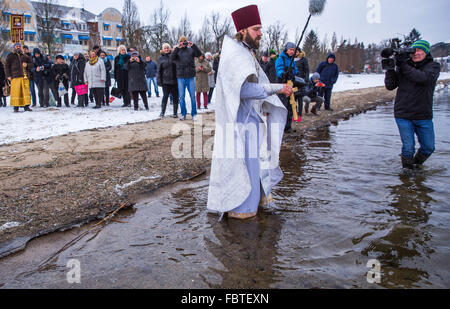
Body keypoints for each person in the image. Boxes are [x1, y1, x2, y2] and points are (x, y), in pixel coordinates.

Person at [207, 5, 292, 220]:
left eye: (260, 28)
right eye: (256, 29)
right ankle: (241, 213)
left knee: (255, 169)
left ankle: (252, 208)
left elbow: (253, 85)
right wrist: (277, 88)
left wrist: (268, 97)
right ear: (243, 30)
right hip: (240, 127)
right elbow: (243, 90)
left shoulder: (245, 52)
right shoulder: (235, 54)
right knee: (243, 170)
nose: (260, 33)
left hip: (250, 122)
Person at [385, 40, 440, 169]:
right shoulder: (404, 66)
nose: (416, 53)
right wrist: (390, 69)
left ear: (426, 52)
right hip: (403, 113)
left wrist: (403, 64)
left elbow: (422, 78)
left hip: (423, 114)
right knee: (408, 148)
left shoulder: (433, 67)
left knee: (428, 147)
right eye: (414, 51)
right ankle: (407, 175)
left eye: (420, 51)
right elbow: (390, 85)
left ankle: (416, 166)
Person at [171, 36, 202, 121]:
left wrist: (193, 46)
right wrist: (177, 48)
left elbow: (199, 55)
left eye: (185, 41)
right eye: (181, 41)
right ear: (179, 42)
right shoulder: (177, 51)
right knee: (181, 97)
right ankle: (183, 114)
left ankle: (194, 114)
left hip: (190, 77)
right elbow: (171, 58)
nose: (183, 42)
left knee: (192, 96)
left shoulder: (191, 50)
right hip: (180, 77)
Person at [275, 42, 301, 132]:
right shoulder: (280, 59)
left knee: (291, 105)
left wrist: (293, 73)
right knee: (283, 106)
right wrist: (283, 74)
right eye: (290, 49)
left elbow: (295, 70)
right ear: (286, 49)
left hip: (290, 85)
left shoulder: (292, 60)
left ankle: (288, 126)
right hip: (282, 85)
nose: (292, 52)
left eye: (293, 50)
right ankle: (281, 127)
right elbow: (278, 69)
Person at [5, 43, 33, 112]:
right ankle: (16, 107)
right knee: (16, 92)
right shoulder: (10, 56)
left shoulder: (25, 56)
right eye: (16, 46)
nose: (18, 47)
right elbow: (7, 66)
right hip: (15, 77)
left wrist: (27, 65)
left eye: (19, 46)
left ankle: (26, 107)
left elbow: (32, 64)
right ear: (14, 47)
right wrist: (8, 75)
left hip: (24, 77)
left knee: (25, 92)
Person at [157, 43, 179, 118]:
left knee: (175, 97)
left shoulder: (174, 56)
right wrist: (159, 80)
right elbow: (158, 71)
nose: (166, 49)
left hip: (175, 81)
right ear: (163, 50)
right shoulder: (161, 58)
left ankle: (175, 113)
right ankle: (162, 112)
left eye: (167, 48)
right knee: (165, 97)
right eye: (165, 48)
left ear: (170, 49)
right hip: (165, 81)